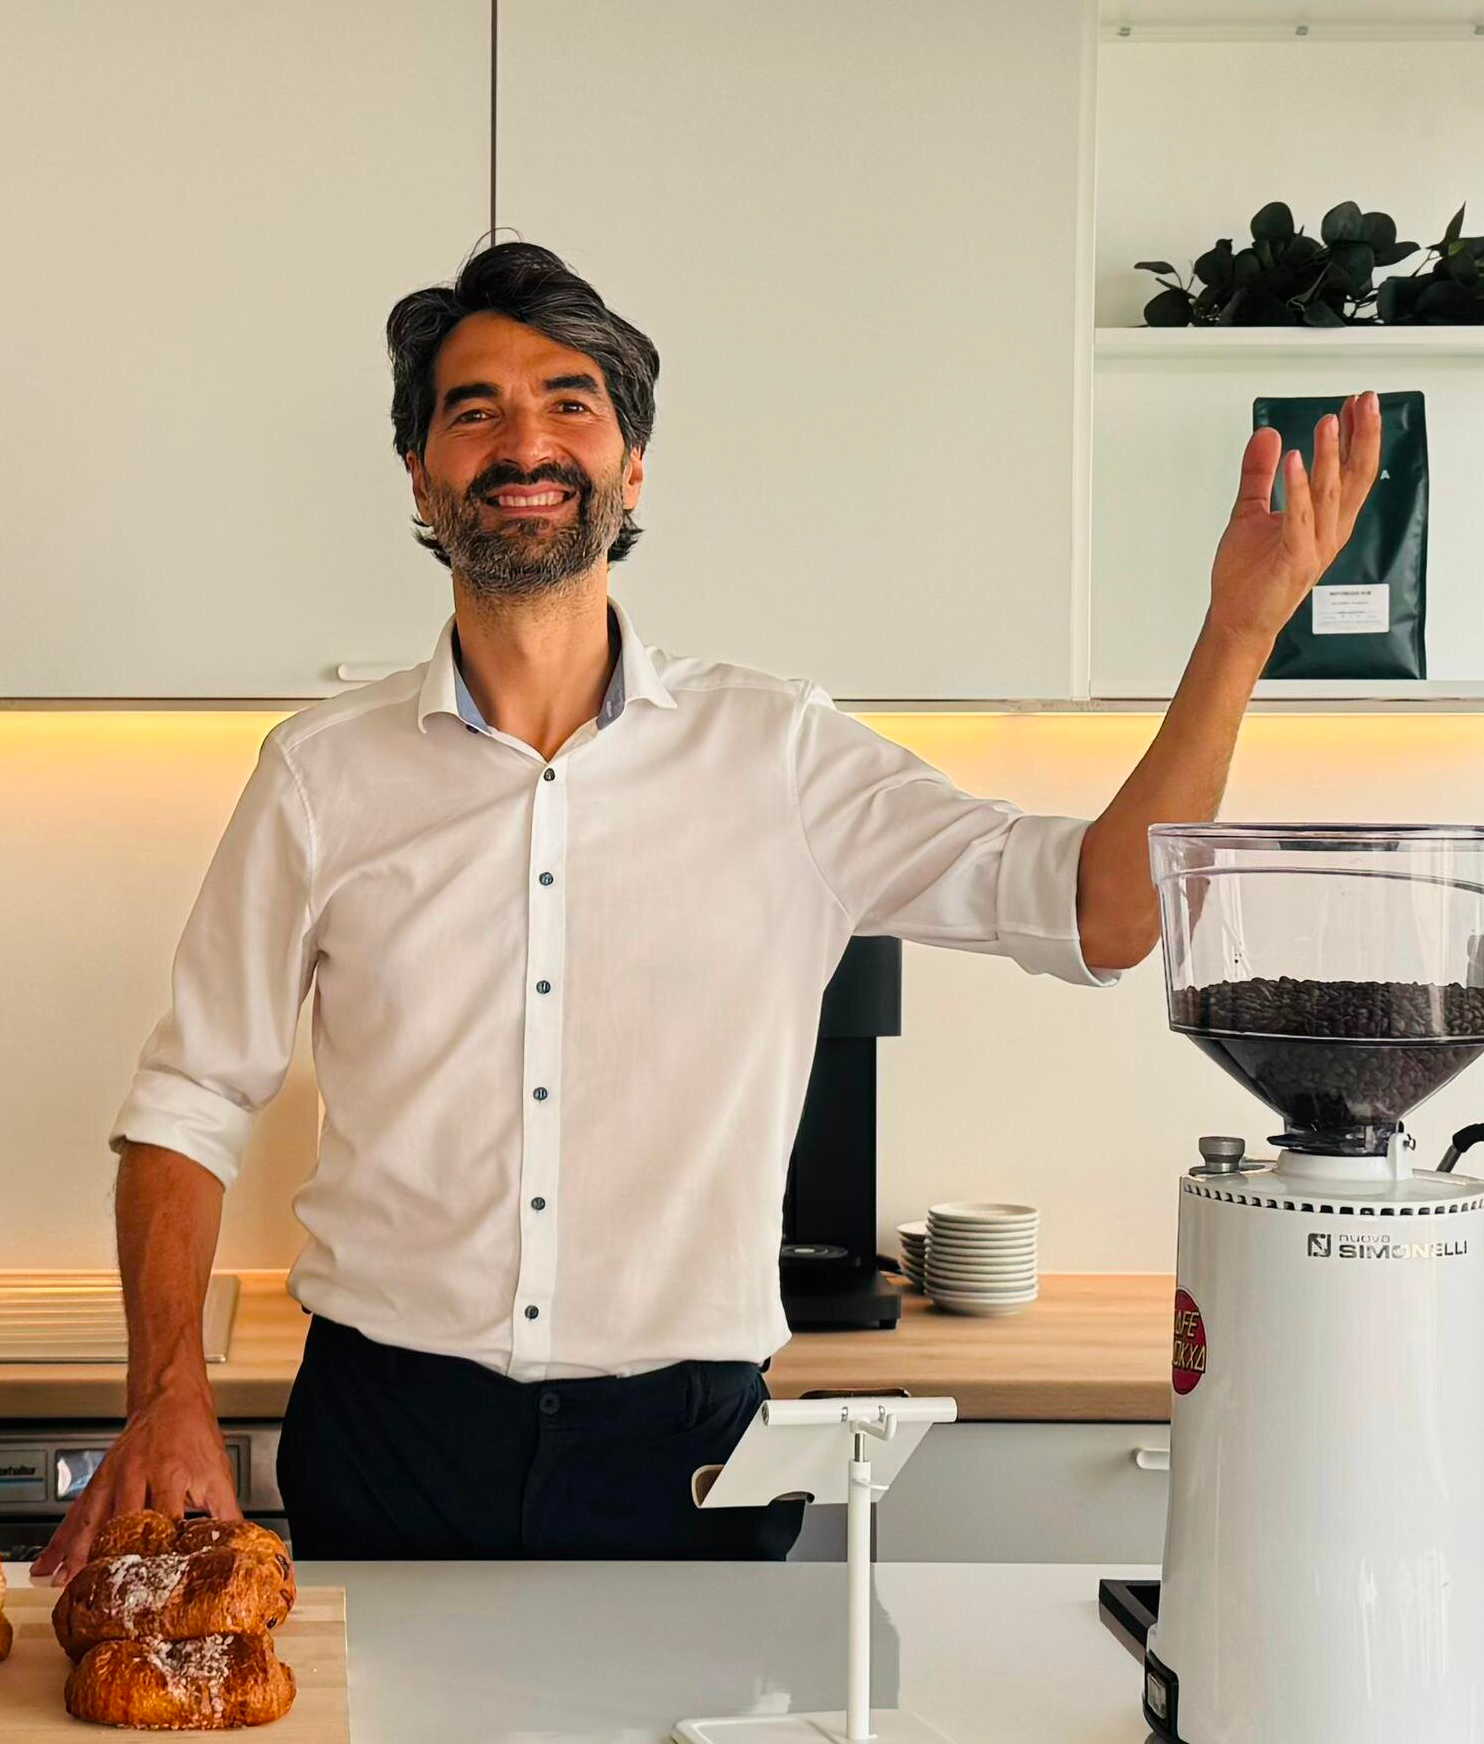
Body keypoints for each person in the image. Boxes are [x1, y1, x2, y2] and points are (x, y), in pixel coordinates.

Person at [34, 239, 1379, 1578]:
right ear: (420, 472)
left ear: (631, 468)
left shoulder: (781, 754)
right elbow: (189, 1104)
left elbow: (1102, 911)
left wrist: (1239, 634)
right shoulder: (320, 775)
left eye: (571, 401)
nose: (525, 439)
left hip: (682, 1453)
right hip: (389, 1433)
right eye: (474, 407)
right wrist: (169, 1395)